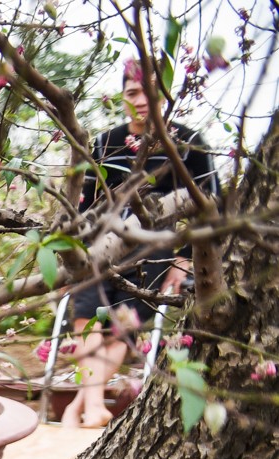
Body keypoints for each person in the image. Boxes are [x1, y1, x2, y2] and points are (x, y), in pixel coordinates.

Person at [60, 58, 216, 429]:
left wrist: (183, 260)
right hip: (101, 246)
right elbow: (86, 205)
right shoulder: (105, 143)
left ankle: (80, 406)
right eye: (132, 93)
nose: (141, 101)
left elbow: (211, 207)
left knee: (123, 322)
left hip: (155, 245)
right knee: (86, 310)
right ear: (122, 96)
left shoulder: (189, 144)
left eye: (149, 93)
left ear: (164, 96)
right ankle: (92, 405)